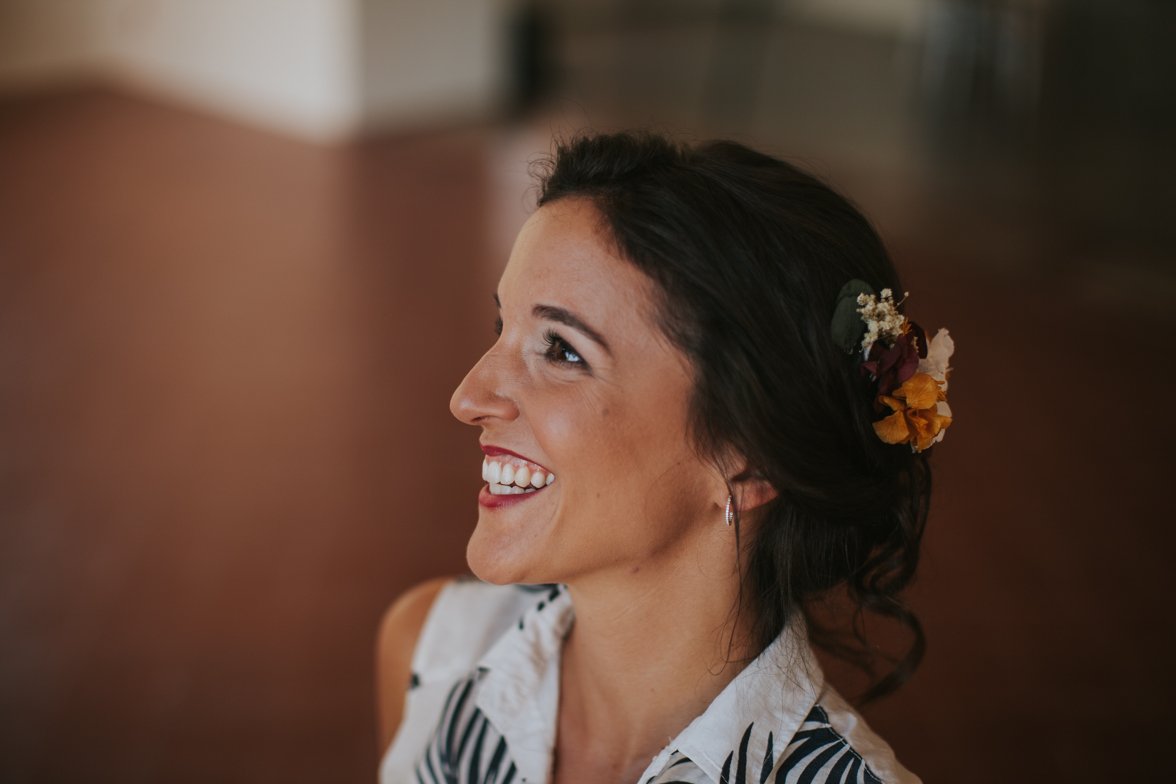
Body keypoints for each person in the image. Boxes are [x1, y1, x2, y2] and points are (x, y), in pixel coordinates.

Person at [375, 132, 953, 784]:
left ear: (748, 460)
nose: (467, 398)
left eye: (562, 349)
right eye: (501, 327)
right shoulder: (433, 650)